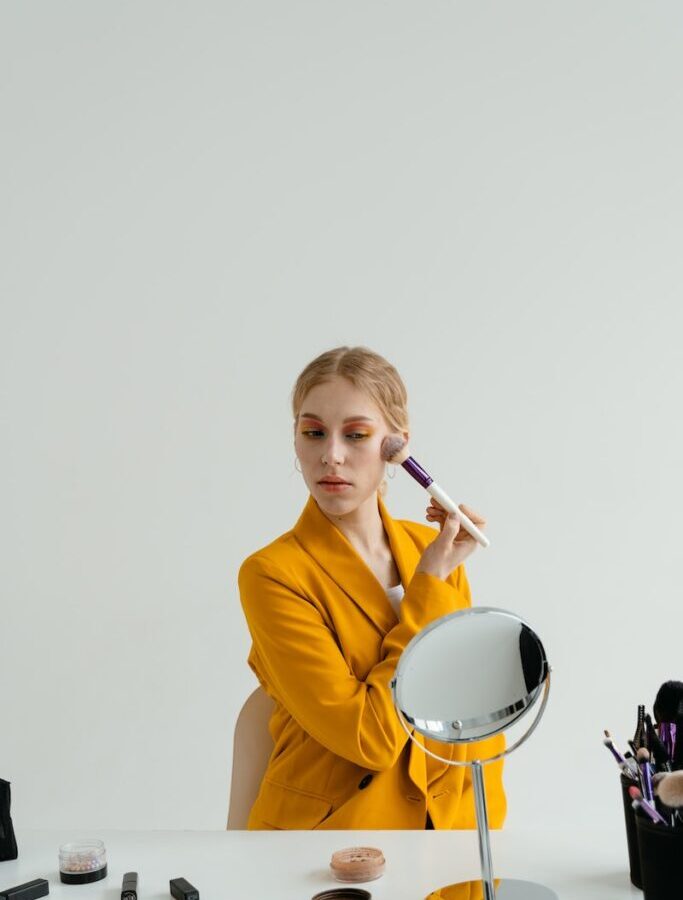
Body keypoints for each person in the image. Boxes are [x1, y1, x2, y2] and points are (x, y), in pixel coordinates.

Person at [238, 345, 506, 829]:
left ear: (397, 445)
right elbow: (371, 738)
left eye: (356, 435)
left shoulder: (433, 548)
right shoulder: (272, 573)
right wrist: (426, 588)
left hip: (452, 826)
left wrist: (479, 826)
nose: (331, 455)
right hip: (332, 842)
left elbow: (466, 713)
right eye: (313, 432)